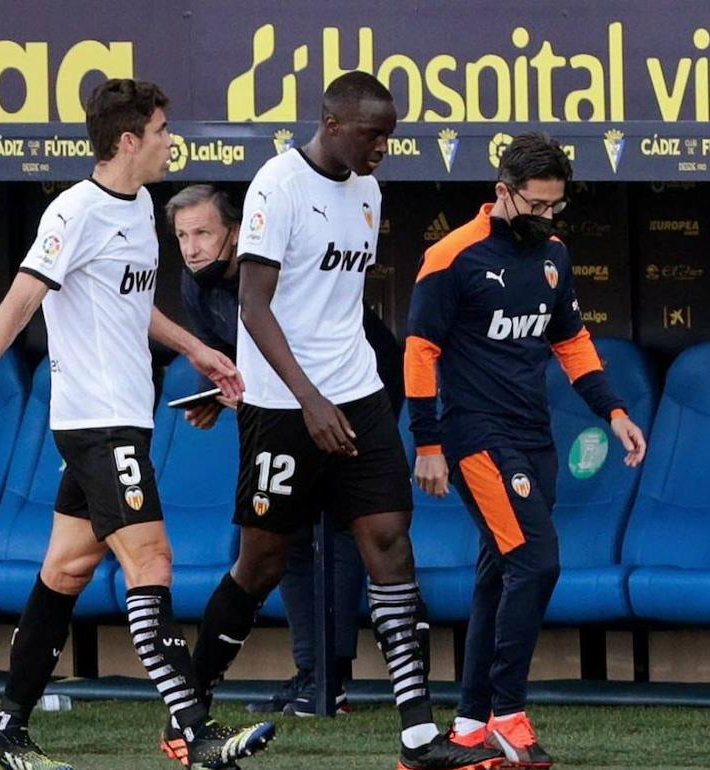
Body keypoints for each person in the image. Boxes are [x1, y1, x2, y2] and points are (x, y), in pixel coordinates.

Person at [0, 78, 275, 770]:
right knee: (152, 561)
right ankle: (195, 732)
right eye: (160, 131)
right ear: (129, 141)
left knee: (63, 572)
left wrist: (197, 349)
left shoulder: (142, 205)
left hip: (127, 417)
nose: (168, 142)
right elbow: (19, 300)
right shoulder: (74, 212)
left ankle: (7, 733)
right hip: (96, 425)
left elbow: (130, 305)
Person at [177, 71, 504, 770]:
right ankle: (190, 709)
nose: (383, 147)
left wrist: (342, 393)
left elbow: (338, 305)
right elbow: (255, 309)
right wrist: (308, 398)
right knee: (260, 561)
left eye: (390, 135)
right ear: (332, 123)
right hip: (282, 407)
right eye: (372, 133)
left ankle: (418, 734)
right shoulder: (278, 185)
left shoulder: (367, 188)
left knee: (389, 540)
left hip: (355, 393)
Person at [405, 132, 647, 768]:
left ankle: (467, 727)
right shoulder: (451, 256)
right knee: (536, 562)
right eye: (535, 206)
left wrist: (614, 411)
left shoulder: (555, 254)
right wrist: (427, 443)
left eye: (554, 207)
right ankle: (508, 713)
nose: (545, 218)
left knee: (500, 572)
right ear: (502, 192)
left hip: (533, 437)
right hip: (474, 436)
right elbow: (420, 351)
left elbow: (570, 341)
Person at [167, 184, 407, 717]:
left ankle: (331, 680)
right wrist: (219, 395)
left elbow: (308, 350)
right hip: (281, 405)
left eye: (203, 232)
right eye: (182, 236)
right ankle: (310, 675)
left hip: (356, 388)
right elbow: (238, 361)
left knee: (345, 525)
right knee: (283, 538)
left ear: (237, 231)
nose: (192, 248)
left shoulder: (274, 268)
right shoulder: (195, 285)